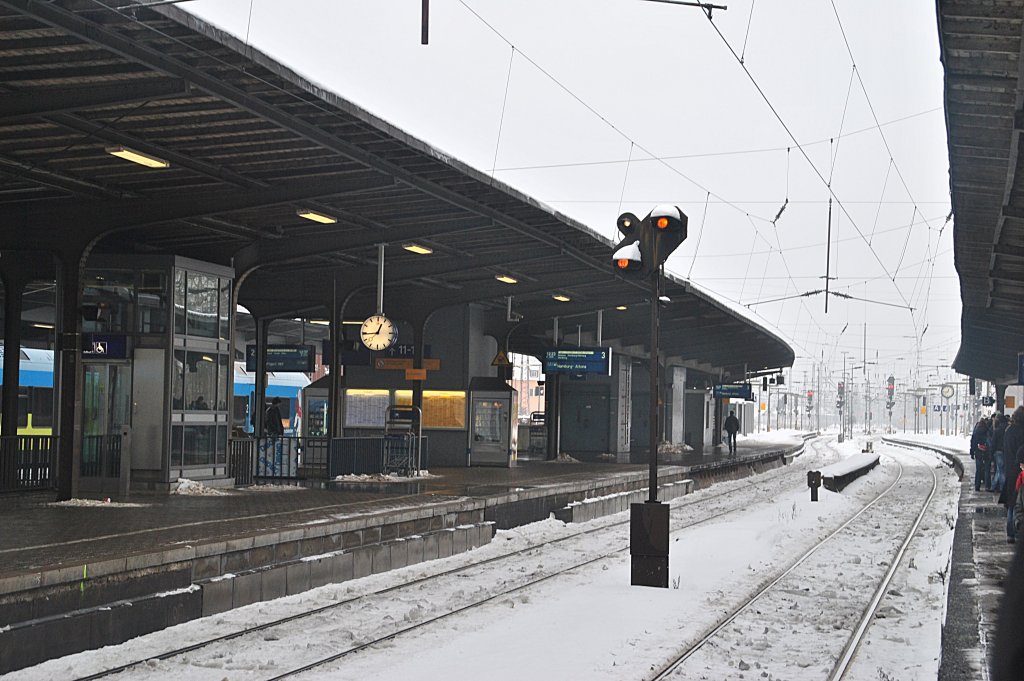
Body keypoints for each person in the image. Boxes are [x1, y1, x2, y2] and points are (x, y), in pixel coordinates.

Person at [1000, 407, 1024, 544]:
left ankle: (1010, 533)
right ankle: (1016, 532)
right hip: (1020, 470)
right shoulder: (1021, 431)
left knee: (1011, 503)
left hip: (1009, 469)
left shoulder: (1008, 431)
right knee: (1019, 502)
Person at [970, 416, 990, 492]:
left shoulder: (976, 431)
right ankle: (987, 486)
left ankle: (977, 486)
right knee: (987, 469)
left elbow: (973, 442)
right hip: (986, 452)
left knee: (978, 469)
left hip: (978, 452)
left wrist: (972, 452)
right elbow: (989, 442)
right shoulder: (987, 430)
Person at [990, 413, 1007, 493]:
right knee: (1000, 469)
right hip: (1005, 451)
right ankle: (993, 486)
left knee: (1000, 470)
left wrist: (992, 452)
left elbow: (993, 443)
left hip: (998, 451)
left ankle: (1002, 487)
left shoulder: (996, 431)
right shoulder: (1007, 429)